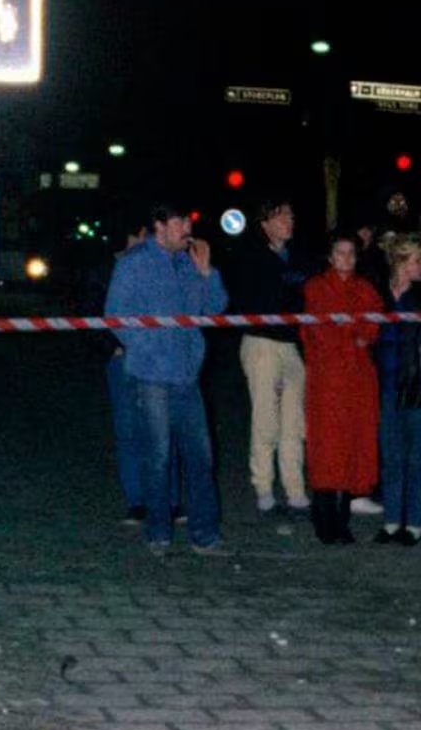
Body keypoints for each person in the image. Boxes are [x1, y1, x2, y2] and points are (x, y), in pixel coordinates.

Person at [104, 201, 230, 555]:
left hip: (188, 375)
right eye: (179, 224)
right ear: (159, 227)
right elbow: (115, 314)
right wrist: (148, 349)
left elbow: (216, 308)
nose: (186, 230)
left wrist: (207, 273)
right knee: (157, 455)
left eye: (188, 223)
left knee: (201, 456)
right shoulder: (135, 264)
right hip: (151, 375)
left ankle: (205, 534)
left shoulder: (188, 263)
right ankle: (158, 532)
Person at [227, 197, 311, 516]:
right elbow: (254, 299)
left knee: (294, 419)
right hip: (261, 343)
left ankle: (295, 487)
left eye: (291, 215)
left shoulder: (297, 257)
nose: (289, 221)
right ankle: (263, 485)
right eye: (281, 216)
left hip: (290, 344)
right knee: (266, 418)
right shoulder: (251, 256)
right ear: (265, 224)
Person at [301, 230, 383, 544]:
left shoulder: (364, 288)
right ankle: (324, 518)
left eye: (351, 253)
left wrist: (352, 332)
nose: (346, 259)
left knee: (352, 446)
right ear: (329, 256)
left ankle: (342, 518)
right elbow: (321, 333)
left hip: (358, 379)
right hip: (329, 380)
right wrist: (353, 335)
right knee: (328, 448)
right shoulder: (316, 287)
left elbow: (372, 326)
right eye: (340, 253)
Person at [375, 234, 421, 545]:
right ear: (400, 262)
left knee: (419, 456)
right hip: (386, 383)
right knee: (391, 454)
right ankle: (390, 520)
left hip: (418, 384)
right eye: (417, 260)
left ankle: (414, 522)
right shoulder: (378, 294)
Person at [102, 219, 151, 524]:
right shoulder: (109, 269)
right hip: (122, 360)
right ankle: (136, 501)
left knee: (160, 430)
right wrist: (111, 347)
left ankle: (167, 500)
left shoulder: (155, 268)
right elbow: (94, 312)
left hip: (152, 358)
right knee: (129, 432)